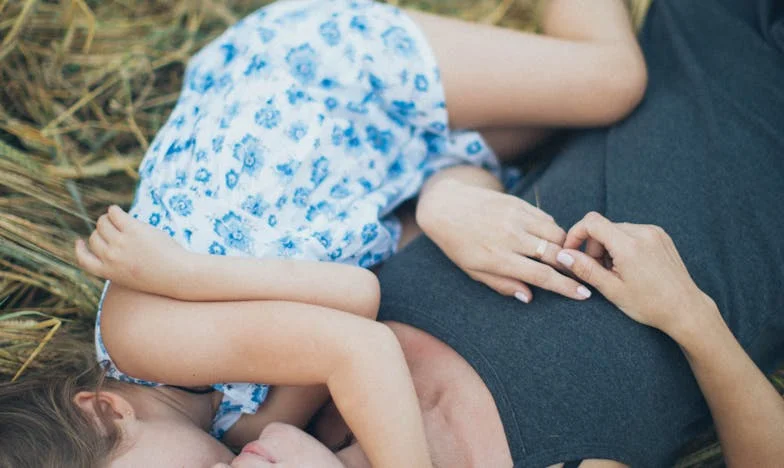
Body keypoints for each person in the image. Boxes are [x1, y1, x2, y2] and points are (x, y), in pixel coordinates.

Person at [0, 0, 647, 466]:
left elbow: (359, 352)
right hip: (378, 173)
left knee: (611, 82)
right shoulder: (246, 429)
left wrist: (190, 276)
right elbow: (357, 302)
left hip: (313, 83)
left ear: (104, 411)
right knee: (553, 129)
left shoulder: (137, 336)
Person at [208, 0, 784, 466]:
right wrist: (691, 316)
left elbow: (447, 174)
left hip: (692, 42)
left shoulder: (315, 380)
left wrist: (448, 201)